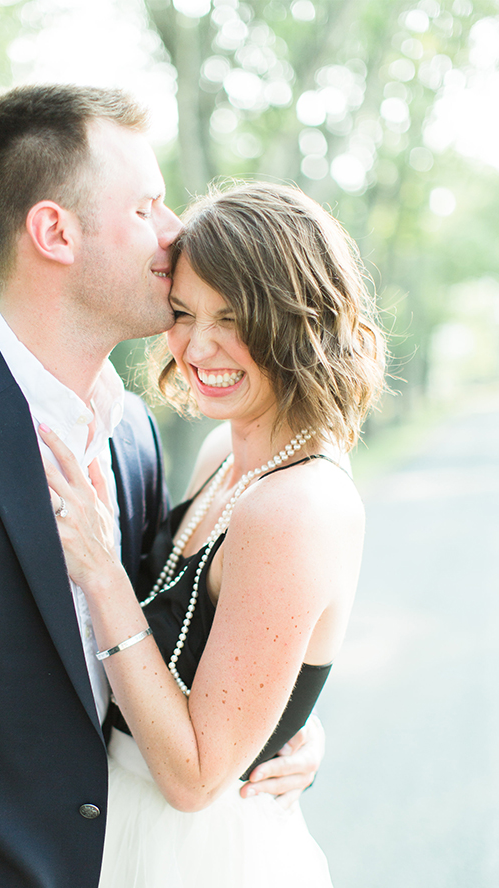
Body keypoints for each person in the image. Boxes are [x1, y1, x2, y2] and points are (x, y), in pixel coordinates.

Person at [0, 87, 323, 888]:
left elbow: (170, 645)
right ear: (55, 231)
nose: (175, 232)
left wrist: (283, 726)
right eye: (146, 207)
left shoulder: (133, 433)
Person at [41, 181, 386, 887]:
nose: (199, 347)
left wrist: (102, 574)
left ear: (298, 318)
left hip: (199, 855)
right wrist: (283, 726)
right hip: (127, 823)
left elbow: (198, 777)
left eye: (232, 316)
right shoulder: (223, 458)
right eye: (183, 313)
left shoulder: (295, 504)